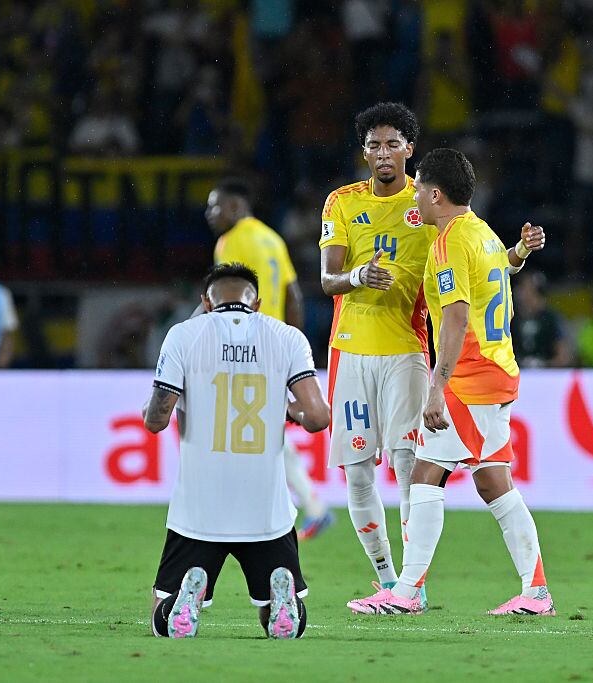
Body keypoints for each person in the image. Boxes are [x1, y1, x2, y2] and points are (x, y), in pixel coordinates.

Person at [347, 148, 555, 616]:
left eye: (419, 185)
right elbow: (496, 271)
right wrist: (519, 252)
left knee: (426, 474)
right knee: (493, 483)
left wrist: (437, 386)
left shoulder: (447, 243)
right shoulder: (478, 231)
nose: (414, 192)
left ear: (435, 194)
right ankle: (536, 591)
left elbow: (457, 319)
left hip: (470, 379)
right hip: (499, 373)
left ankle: (405, 592)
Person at [143, 263, 329, 639]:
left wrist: (148, 412)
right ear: (257, 303)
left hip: (200, 506)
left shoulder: (183, 335)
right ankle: (279, 601)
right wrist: (288, 410)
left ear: (206, 303)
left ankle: (182, 600)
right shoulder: (287, 337)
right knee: (283, 625)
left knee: (160, 622)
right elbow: (318, 417)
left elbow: (157, 419)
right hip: (266, 506)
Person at [318, 102, 437, 606]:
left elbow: (475, 252)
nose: (383, 154)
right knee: (359, 470)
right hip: (351, 353)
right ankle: (387, 578)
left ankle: (415, 584)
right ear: (363, 152)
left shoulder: (430, 202)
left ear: (410, 148)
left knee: (409, 464)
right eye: (373, 145)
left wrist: (515, 257)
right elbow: (327, 280)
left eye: (392, 144)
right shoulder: (341, 202)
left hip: (407, 351)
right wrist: (359, 277)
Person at [207, 177, 334, 540]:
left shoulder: (230, 242)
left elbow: (225, 297)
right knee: (264, 428)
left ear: (234, 206)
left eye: (215, 206)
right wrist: (292, 343)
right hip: (273, 345)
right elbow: (293, 293)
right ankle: (312, 505)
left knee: (242, 428)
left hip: (245, 346)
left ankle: (257, 509)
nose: (209, 214)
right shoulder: (271, 237)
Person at [512, 270, 572, 368]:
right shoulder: (513, 318)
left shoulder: (551, 319)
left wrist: (542, 364)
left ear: (538, 294)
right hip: (516, 373)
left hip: (545, 377)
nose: (520, 293)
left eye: (527, 290)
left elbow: (564, 357)